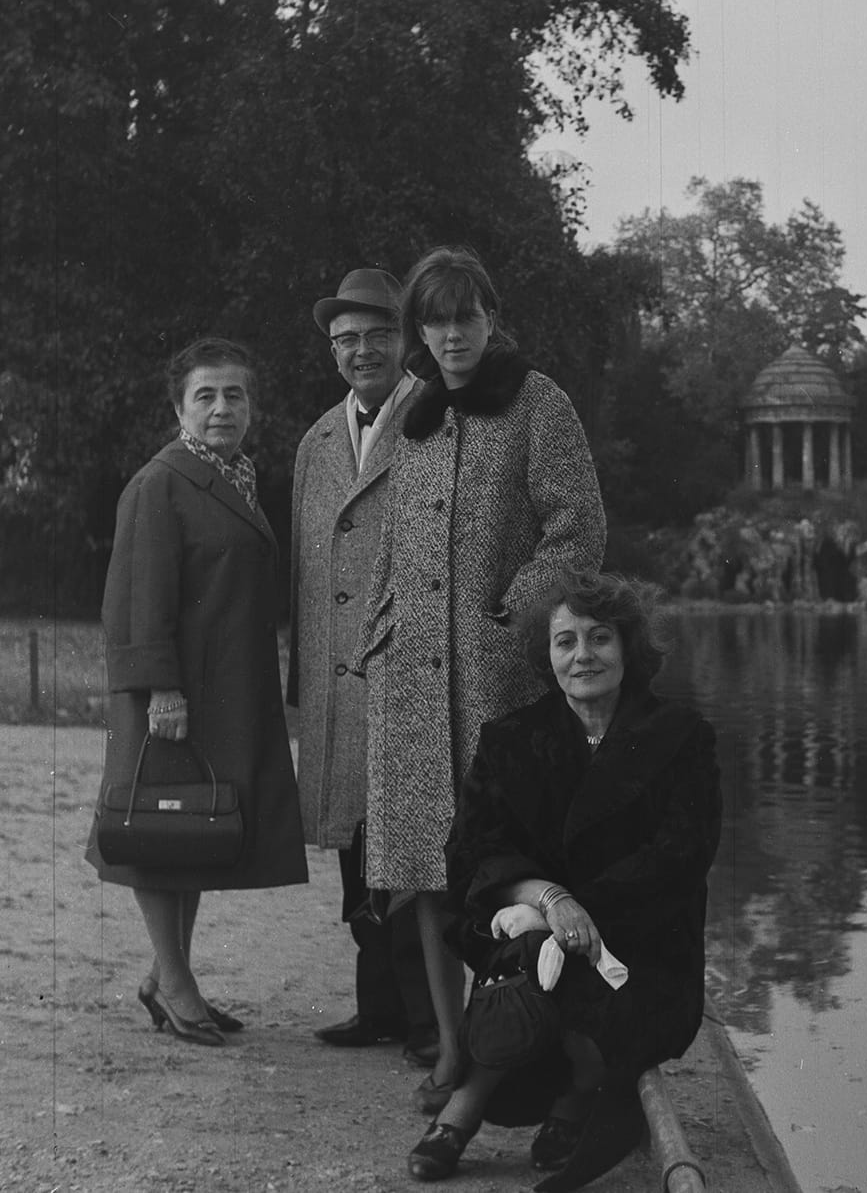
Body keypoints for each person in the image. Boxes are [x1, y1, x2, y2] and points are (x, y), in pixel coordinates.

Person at [359, 245, 607, 1118]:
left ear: (492, 318)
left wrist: (515, 608)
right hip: (410, 687)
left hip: (498, 682)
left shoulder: (542, 405)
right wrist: (378, 627)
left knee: (505, 871)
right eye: (435, 319)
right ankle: (454, 1051)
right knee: (425, 872)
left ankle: (534, 1054)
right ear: (419, 330)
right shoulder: (412, 414)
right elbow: (388, 538)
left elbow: (578, 531)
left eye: (466, 316)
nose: (451, 333)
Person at [405, 570, 721, 1188]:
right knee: (524, 974)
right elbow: (471, 851)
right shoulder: (510, 739)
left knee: (572, 999)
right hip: (533, 935)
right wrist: (548, 900)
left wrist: (581, 912)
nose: (584, 656)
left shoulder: (681, 737)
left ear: (629, 647)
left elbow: (682, 855)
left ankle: (553, 1099)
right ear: (546, 655)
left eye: (600, 638)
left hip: (643, 945)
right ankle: (481, 1104)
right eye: (566, 641)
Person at [86, 337, 307, 1046]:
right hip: (173, 695)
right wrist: (161, 691)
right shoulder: (162, 482)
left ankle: (168, 976)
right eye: (205, 395)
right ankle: (175, 984)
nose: (221, 408)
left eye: (234, 395)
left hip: (224, 689)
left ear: (253, 408)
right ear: (179, 407)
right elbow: (136, 599)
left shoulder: (235, 477)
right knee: (159, 834)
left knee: (193, 834)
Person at [288, 268, 437, 1064]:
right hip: (334, 689)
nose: (360, 351)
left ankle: (425, 1022)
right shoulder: (315, 440)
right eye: (346, 340)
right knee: (354, 856)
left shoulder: (438, 418)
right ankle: (376, 1008)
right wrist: (301, 687)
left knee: (410, 854)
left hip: (407, 676)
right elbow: (304, 579)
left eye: (376, 334)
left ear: (405, 339)